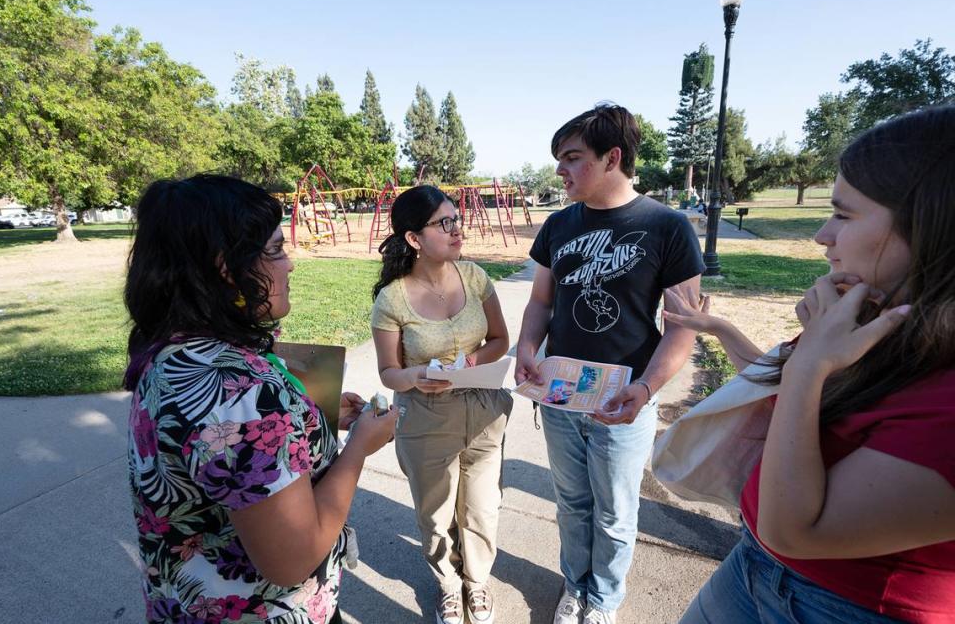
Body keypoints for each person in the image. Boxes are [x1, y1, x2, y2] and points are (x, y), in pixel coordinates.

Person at [667, 106, 955, 623]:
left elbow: (795, 531)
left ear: (933, 223)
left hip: (844, 605)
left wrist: (807, 366)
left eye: (843, 215)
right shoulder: (875, 317)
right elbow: (795, 406)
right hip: (751, 565)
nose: (823, 235)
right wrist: (729, 333)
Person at [124, 174, 397, 624]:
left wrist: (312, 418)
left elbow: (227, 454)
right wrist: (358, 448)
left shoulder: (172, 351)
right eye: (273, 250)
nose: (289, 264)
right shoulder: (242, 393)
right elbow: (292, 559)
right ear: (225, 268)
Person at [514, 103, 705, 624]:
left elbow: (684, 325)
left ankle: (604, 601)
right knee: (572, 502)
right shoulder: (558, 225)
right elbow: (540, 302)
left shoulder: (667, 227)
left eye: (572, 158)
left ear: (612, 158)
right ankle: (575, 586)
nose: (560, 170)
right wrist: (528, 348)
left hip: (625, 399)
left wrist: (645, 390)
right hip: (558, 395)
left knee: (617, 512)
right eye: (559, 159)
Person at [370, 185, 513, 624]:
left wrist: (470, 361)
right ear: (414, 239)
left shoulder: (474, 277)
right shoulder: (391, 299)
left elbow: (500, 340)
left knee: (482, 508)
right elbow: (387, 372)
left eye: (457, 219)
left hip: (485, 410)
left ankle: (477, 581)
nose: (458, 230)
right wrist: (414, 376)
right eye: (444, 223)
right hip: (425, 418)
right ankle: (448, 584)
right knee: (435, 514)